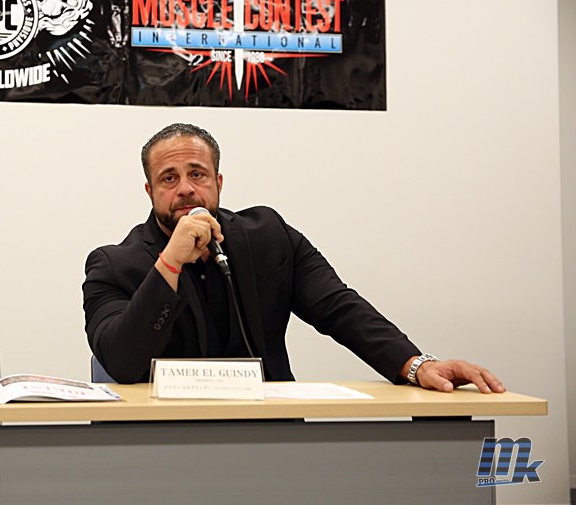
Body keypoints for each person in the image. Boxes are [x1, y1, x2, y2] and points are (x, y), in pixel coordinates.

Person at [82, 123, 504, 393]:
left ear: (219, 182)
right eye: (169, 179)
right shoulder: (113, 266)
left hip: (271, 434)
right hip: (165, 443)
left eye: (197, 174)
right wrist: (169, 265)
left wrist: (415, 365)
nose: (186, 189)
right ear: (150, 191)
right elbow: (120, 362)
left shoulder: (268, 237)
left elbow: (339, 307)